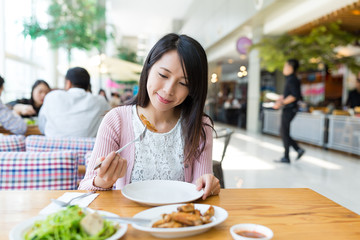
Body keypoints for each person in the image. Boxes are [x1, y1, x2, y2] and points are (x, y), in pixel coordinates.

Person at [79, 33, 220, 199]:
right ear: (148, 68)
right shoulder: (116, 120)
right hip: (130, 220)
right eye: (163, 75)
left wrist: (208, 184)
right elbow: (84, 188)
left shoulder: (200, 126)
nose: (168, 90)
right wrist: (103, 181)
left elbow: (200, 189)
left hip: (177, 221)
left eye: (183, 83)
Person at [38, 67, 110, 137]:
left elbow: (42, 125)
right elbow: (108, 125)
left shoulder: (52, 96)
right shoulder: (101, 101)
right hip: (88, 148)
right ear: (88, 85)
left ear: (68, 83)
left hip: (51, 147)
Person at [273, 59, 305, 163]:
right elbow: (289, 94)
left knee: (284, 132)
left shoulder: (292, 79)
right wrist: (281, 98)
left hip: (290, 109)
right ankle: (296, 150)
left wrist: (281, 103)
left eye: (285, 66)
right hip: (289, 108)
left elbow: (294, 96)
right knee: (284, 132)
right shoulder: (291, 79)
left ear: (290, 67)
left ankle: (288, 156)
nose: (284, 68)